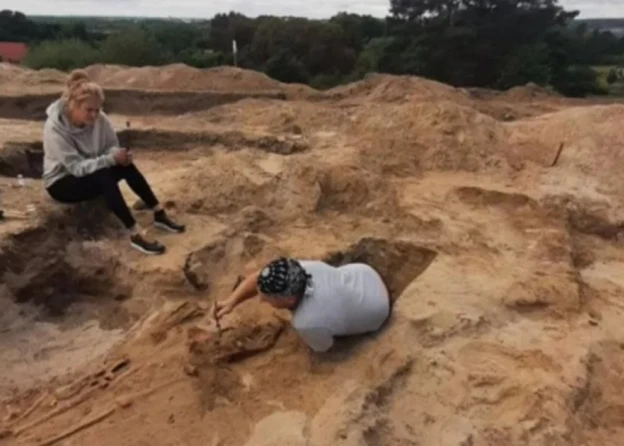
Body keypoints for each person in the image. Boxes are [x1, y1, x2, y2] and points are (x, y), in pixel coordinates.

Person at [42, 69, 185, 255]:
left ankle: (158, 212)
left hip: (90, 170)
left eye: (97, 110)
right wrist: (109, 159)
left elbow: (111, 146)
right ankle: (134, 233)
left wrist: (118, 155)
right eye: (89, 110)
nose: (94, 115)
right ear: (73, 105)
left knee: (124, 164)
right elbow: (76, 168)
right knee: (104, 176)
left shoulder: (100, 119)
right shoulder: (55, 129)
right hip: (63, 182)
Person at [215, 257, 391, 352]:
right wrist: (232, 301)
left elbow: (325, 347)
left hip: (377, 312)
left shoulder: (307, 322)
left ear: (289, 300)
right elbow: (259, 277)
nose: (261, 300)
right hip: (366, 276)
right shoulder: (303, 269)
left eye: (268, 298)